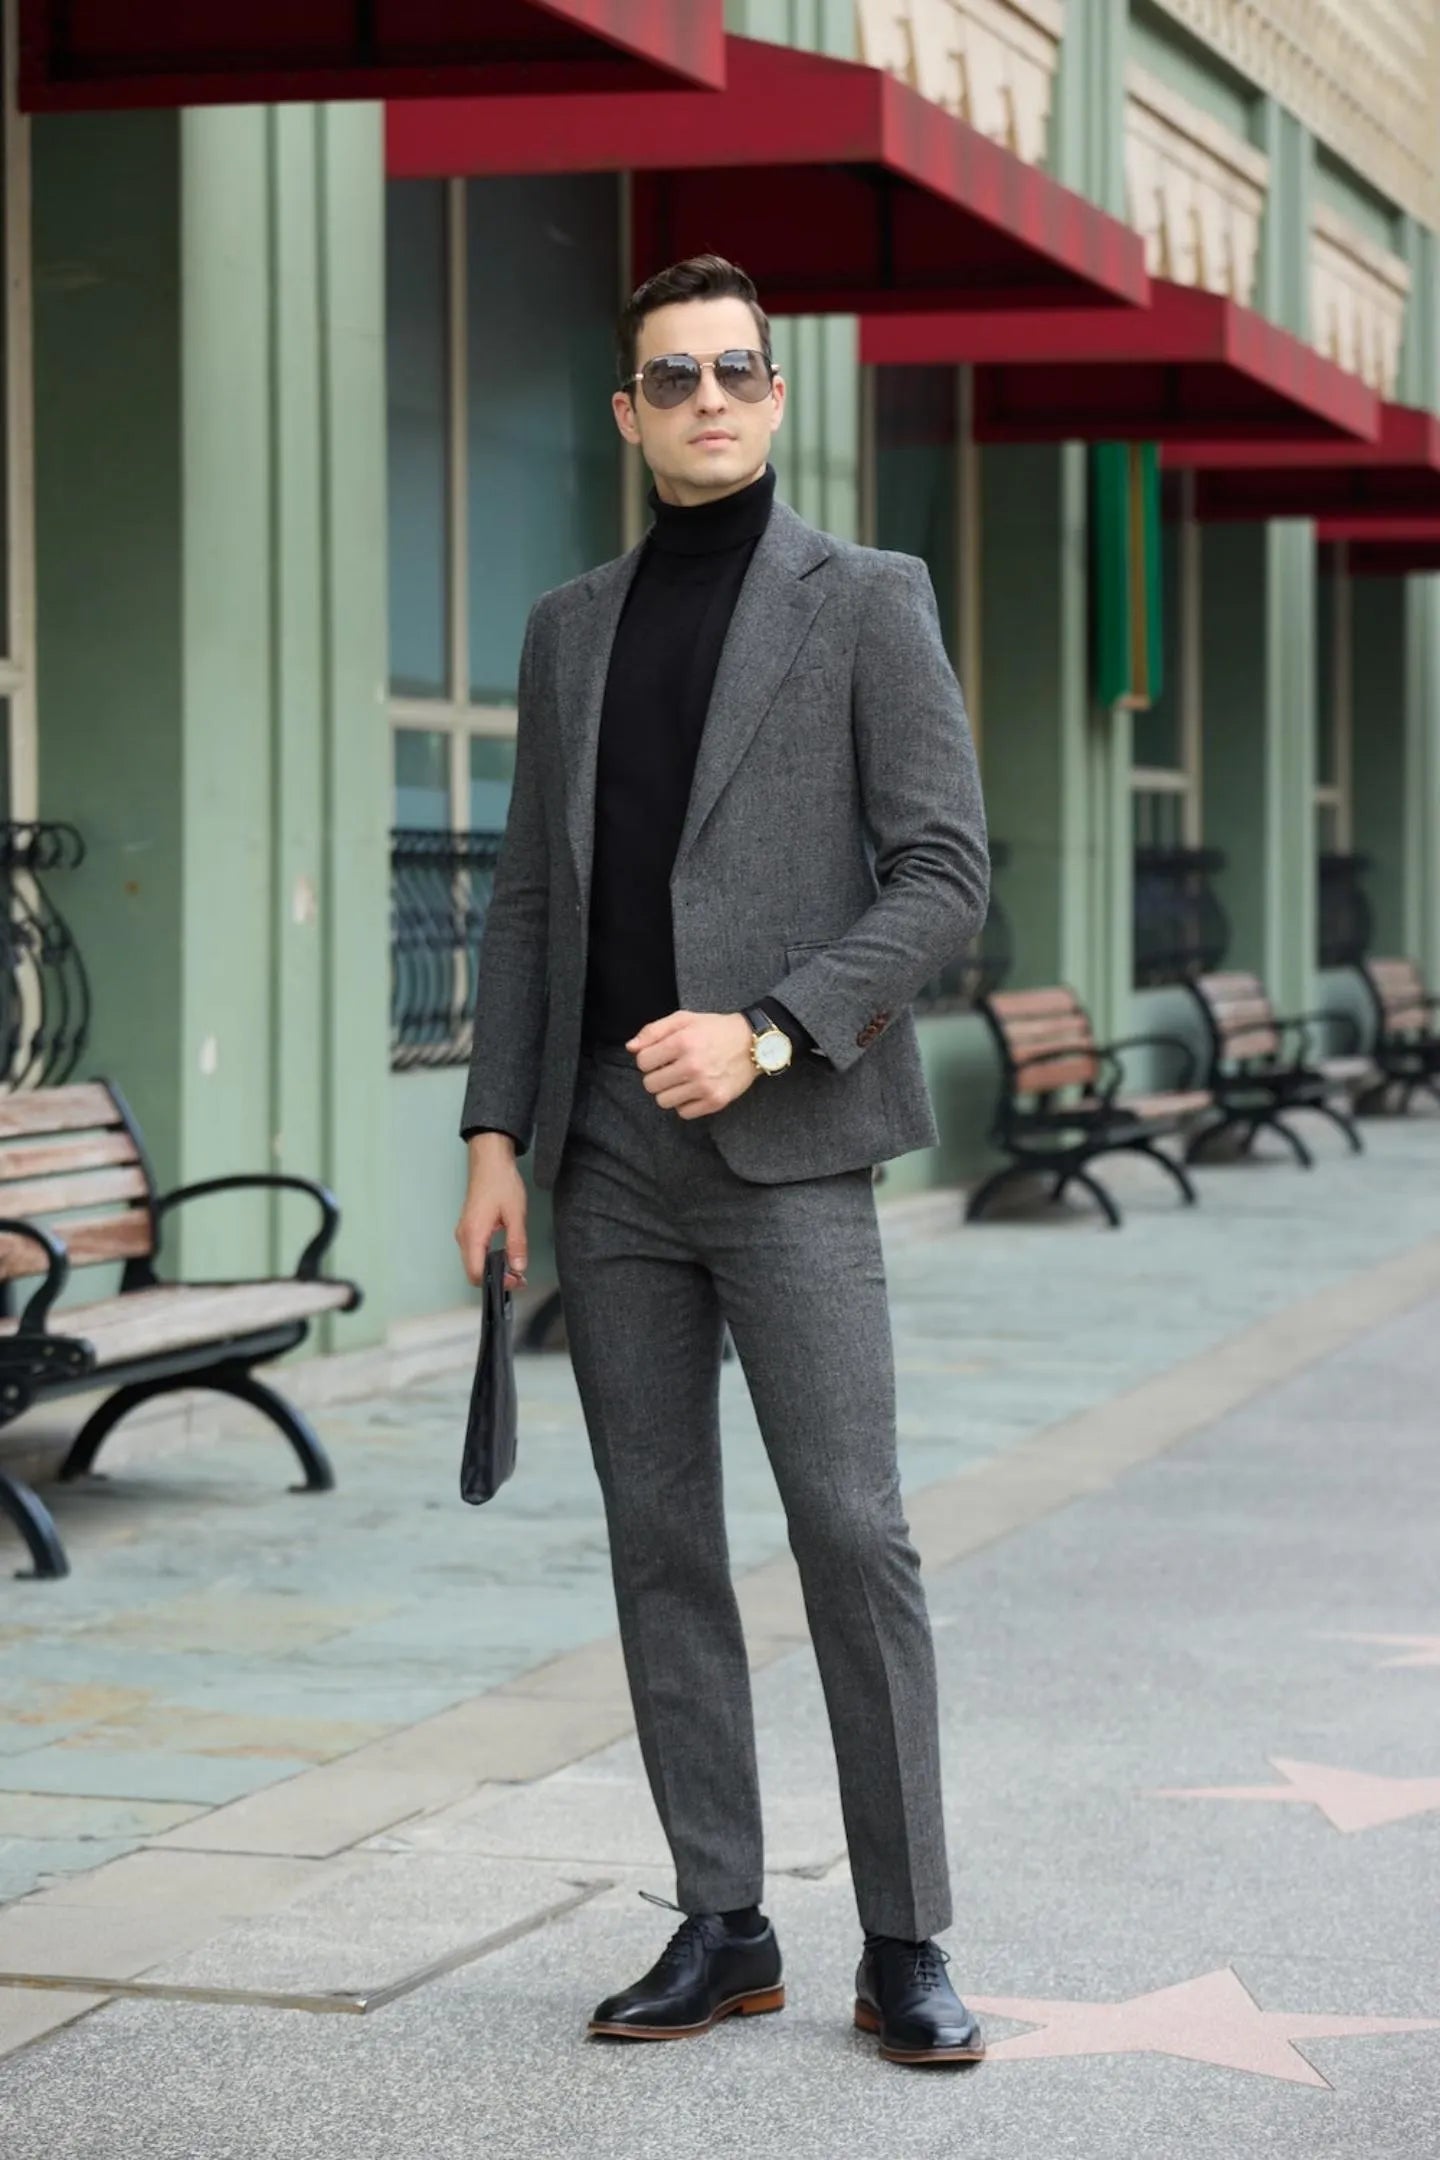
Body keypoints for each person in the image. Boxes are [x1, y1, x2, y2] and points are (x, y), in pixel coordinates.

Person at [454, 254, 990, 2066]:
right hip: (603, 1165)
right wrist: (495, 1136)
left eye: (735, 373)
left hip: (794, 1156)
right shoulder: (566, 627)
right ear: (627, 413)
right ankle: (724, 1918)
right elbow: (534, 895)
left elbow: (942, 875)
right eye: (670, 376)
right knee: (660, 1543)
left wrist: (764, 1025)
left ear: (775, 399)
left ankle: (905, 1933)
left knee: (853, 1532)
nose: (705, 399)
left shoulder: (867, 601)